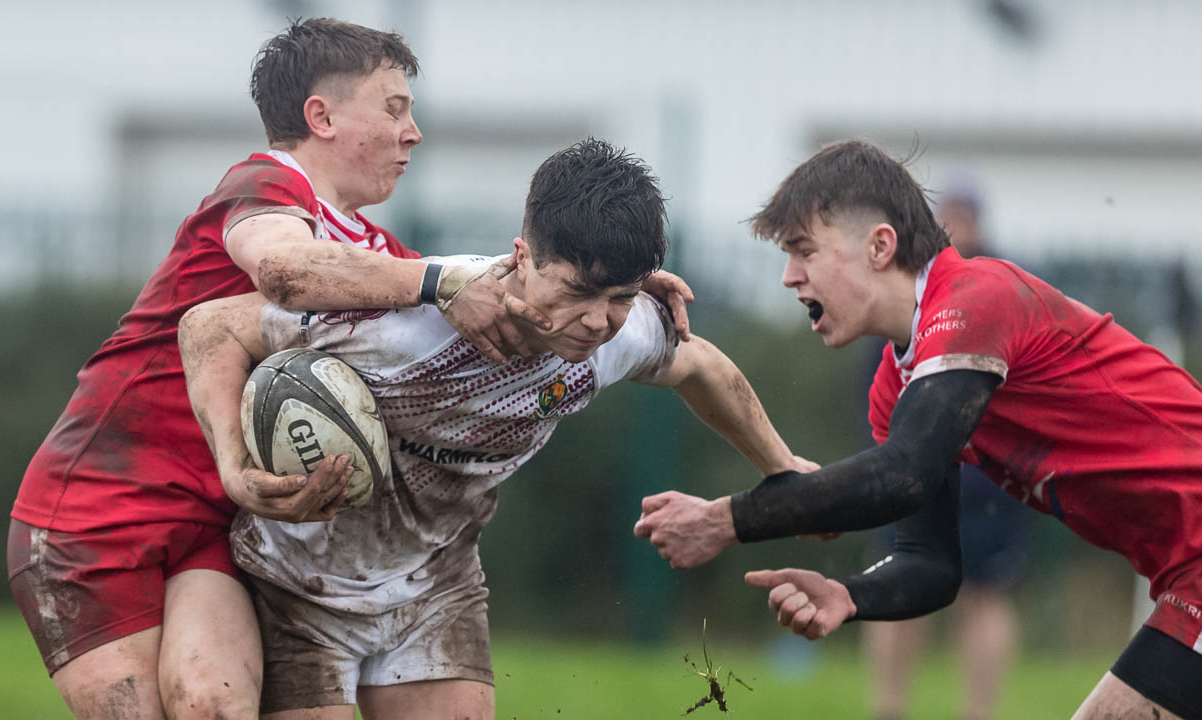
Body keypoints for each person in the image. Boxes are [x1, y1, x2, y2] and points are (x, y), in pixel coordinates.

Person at [6, 18, 694, 720]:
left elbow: (506, 280)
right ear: (322, 116)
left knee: (214, 708)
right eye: (395, 108)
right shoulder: (267, 185)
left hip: (225, 516)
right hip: (101, 506)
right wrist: (434, 281)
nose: (413, 131)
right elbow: (284, 270)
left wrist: (618, 280)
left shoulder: (374, 253)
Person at [178, 138, 810, 720]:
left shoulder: (617, 334)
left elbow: (700, 366)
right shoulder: (402, 324)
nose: (597, 322)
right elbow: (208, 327)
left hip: (436, 589)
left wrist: (785, 470)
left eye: (620, 297)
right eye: (577, 292)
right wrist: (234, 468)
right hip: (299, 588)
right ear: (523, 256)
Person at [633, 140, 1202, 720]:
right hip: (1190, 578)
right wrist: (851, 595)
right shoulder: (897, 384)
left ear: (880, 245)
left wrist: (726, 520)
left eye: (804, 251)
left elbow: (900, 476)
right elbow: (930, 564)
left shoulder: (974, 299)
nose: (789, 277)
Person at [860, 175, 1033, 720]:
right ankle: (889, 707)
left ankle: (977, 712)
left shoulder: (998, 291)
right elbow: (880, 385)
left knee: (984, 595)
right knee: (901, 588)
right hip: (919, 471)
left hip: (986, 476)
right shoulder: (911, 294)